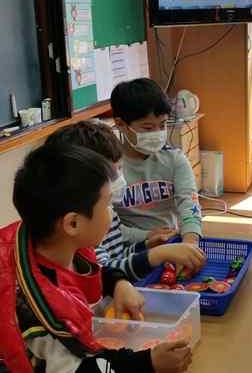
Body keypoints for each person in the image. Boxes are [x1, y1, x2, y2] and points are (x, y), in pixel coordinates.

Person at [0, 144, 192, 373]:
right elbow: (79, 370)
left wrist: (118, 283)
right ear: (73, 223)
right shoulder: (37, 312)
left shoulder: (55, 243)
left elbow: (88, 273)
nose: (112, 212)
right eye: (108, 204)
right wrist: (147, 364)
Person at [45, 121, 206, 282]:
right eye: (113, 174)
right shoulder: (85, 230)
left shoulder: (103, 211)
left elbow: (117, 254)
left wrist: (146, 246)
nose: (120, 180)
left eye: (121, 169)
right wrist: (155, 255)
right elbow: (105, 276)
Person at [110, 78, 203, 248]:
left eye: (163, 125)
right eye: (147, 128)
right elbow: (106, 227)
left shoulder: (174, 159)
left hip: (171, 241)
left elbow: (189, 203)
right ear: (120, 124)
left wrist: (191, 240)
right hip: (129, 247)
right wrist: (146, 236)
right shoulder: (110, 167)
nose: (158, 133)